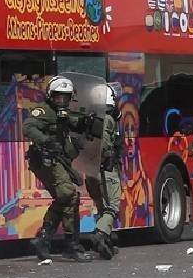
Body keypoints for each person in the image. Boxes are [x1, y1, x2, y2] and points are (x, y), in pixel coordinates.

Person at [23, 76, 93, 262]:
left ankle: (44, 239)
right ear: (50, 96)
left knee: (67, 198)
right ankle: (71, 245)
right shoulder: (44, 111)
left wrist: (86, 123)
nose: (61, 101)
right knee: (68, 195)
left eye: (66, 97)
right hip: (46, 160)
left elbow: (73, 123)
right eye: (58, 97)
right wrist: (46, 141)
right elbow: (28, 126)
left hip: (59, 161)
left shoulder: (65, 113)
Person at [85, 84, 123, 260]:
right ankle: (100, 234)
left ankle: (105, 243)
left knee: (102, 207)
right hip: (105, 170)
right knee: (112, 207)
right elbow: (105, 145)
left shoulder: (90, 118)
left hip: (91, 172)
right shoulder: (107, 120)